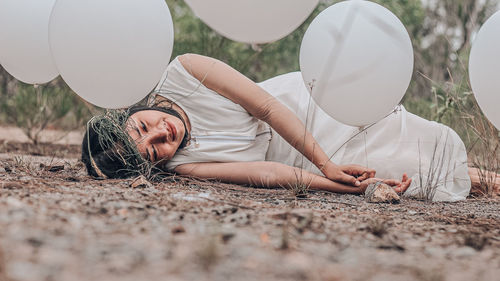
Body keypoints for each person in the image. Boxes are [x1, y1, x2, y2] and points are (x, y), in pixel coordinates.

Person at [81, 54, 492, 201]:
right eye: (152, 152)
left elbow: (266, 106)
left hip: (301, 110)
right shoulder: (183, 165)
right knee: (408, 175)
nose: (161, 136)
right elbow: (266, 174)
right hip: (296, 160)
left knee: (412, 145)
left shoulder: (185, 72)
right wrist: (346, 185)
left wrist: (326, 161)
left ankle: (488, 178)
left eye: (142, 128)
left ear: (129, 111)